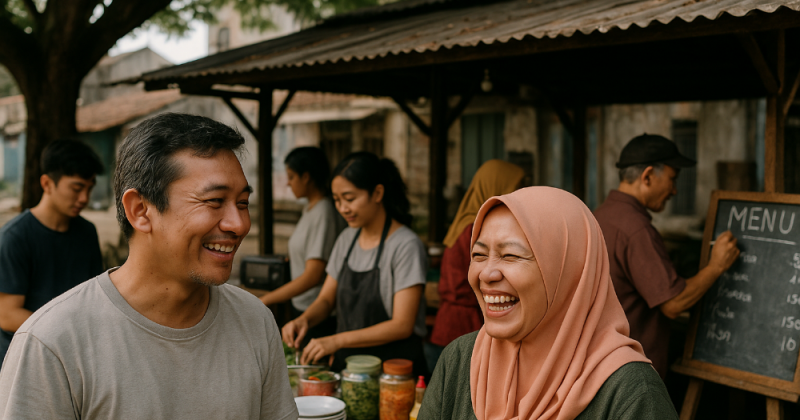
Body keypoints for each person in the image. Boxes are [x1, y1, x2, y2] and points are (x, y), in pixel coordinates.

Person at [0, 113, 298, 419]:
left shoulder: (255, 322)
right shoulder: (51, 344)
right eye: (214, 201)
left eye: (243, 203)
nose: (239, 224)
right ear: (141, 211)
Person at [419, 186, 678, 420]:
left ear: (569, 271)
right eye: (479, 254)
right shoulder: (461, 360)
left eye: (510, 255)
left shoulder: (630, 392)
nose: (486, 274)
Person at [593, 133, 739, 378]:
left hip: (603, 363)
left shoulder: (600, 215)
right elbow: (674, 304)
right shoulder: (636, 230)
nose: (674, 190)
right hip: (632, 372)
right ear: (648, 176)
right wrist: (716, 265)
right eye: (672, 179)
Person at [282, 152, 428, 376]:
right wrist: (304, 320)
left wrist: (336, 341)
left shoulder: (405, 245)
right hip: (351, 371)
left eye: (349, 199)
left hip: (395, 373)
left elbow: (402, 324)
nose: (342, 208)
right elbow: (326, 299)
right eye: (337, 200)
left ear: (377, 193)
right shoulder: (346, 240)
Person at [0, 139, 104, 365]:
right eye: (77, 188)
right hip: (25, 359)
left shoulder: (86, 232)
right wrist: (66, 336)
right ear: (47, 183)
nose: (84, 198)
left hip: (76, 358)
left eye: (89, 188)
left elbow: (95, 296)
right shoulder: (14, 237)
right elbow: (7, 315)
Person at [428, 160, 525, 367]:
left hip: (447, 325)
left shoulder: (464, 222)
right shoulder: (477, 228)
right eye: (515, 187)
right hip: (465, 328)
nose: (520, 195)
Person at [259, 147, 345, 340]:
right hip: (303, 306)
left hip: (317, 313)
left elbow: (312, 275)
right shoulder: (310, 209)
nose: (288, 183)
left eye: (291, 176)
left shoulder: (323, 212)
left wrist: (266, 299)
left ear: (306, 177)